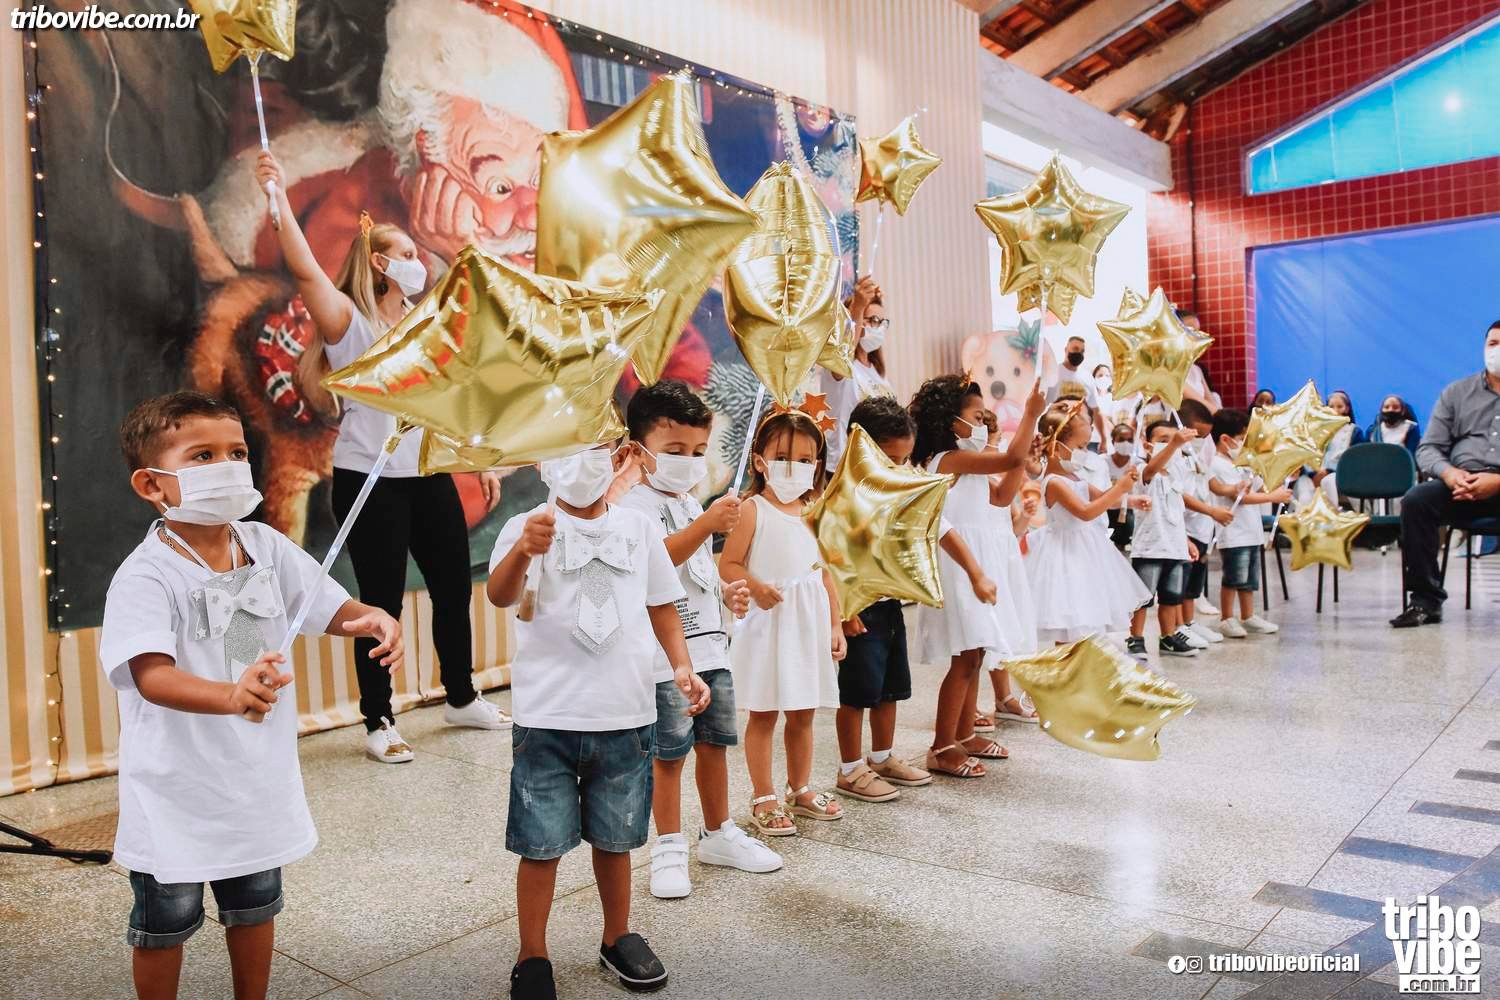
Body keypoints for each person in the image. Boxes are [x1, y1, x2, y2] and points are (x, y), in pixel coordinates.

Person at [103, 392, 403, 1000]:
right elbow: (150, 675)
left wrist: (368, 617)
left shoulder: (264, 545)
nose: (228, 466)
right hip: (177, 790)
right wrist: (228, 695)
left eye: (237, 453)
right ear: (152, 484)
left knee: (256, 905)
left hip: (255, 780)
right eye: (203, 455)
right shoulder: (147, 574)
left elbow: (326, 605)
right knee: (166, 922)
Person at [257, 152, 507, 763]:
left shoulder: (424, 324)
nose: (418, 262)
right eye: (406, 253)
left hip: (427, 474)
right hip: (370, 480)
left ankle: (461, 696)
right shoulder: (349, 323)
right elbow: (306, 269)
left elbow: (443, 403)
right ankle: (379, 719)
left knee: (453, 589)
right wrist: (278, 198)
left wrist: (475, 461)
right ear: (379, 262)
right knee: (379, 604)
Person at [487, 441, 708, 997]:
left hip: (625, 715)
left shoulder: (638, 528)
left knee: (617, 838)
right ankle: (532, 953)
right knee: (540, 845)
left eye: (594, 448)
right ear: (543, 463)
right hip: (547, 719)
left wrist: (682, 665)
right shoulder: (525, 525)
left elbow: (662, 602)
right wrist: (523, 552)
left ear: (615, 457)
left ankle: (617, 936)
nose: (581, 461)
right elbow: (500, 594)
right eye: (566, 450)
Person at [617, 381, 780, 899]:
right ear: (638, 449)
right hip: (666, 658)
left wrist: (726, 591)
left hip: (711, 646)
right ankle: (668, 846)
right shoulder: (631, 507)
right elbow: (655, 562)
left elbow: (695, 569)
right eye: (675, 450)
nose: (689, 462)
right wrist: (709, 523)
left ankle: (718, 832)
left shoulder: (690, 503)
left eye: (697, 451)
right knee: (669, 754)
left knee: (715, 743)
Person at [833, 397, 998, 802]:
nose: (899, 466)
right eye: (890, 458)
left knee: (890, 688)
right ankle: (850, 769)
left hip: (890, 602)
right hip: (859, 606)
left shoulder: (904, 485)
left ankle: (881, 757)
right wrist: (843, 610)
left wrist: (976, 572)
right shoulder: (845, 493)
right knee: (856, 693)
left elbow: (941, 525)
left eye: (904, 459)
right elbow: (830, 554)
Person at [909, 375, 1045, 778]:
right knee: (966, 656)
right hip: (959, 565)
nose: (984, 424)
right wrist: (1030, 417)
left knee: (977, 652)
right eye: (978, 417)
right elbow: (1008, 459)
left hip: (980, 561)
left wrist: (1021, 456)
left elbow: (1001, 497)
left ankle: (965, 734)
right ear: (950, 421)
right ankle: (941, 746)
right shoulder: (946, 460)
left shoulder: (970, 464)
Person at [719, 409, 846, 834]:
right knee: (764, 712)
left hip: (808, 623)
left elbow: (824, 573)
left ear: (817, 464)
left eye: (805, 460)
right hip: (769, 624)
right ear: (760, 461)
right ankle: (764, 795)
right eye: (783, 458)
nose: (795, 468)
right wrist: (755, 586)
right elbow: (729, 563)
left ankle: (800, 787)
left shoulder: (815, 510)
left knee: (804, 711)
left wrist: (835, 624)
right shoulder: (752, 509)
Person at [1391, 323, 1500, 627]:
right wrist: (1450, 474)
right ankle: (1425, 601)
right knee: (1417, 501)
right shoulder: (1456, 393)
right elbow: (1428, 449)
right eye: (1493, 343)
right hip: (1460, 484)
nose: (1498, 350)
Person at [1027, 402, 1152, 646]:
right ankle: (1066, 666)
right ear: (1056, 446)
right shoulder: (1054, 482)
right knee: (1067, 619)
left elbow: (1103, 498)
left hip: (1085, 552)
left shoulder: (1073, 476)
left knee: (1085, 618)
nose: (1085, 452)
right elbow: (1085, 512)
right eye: (1080, 446)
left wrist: (1130, 500)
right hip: (1065, 555)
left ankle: (1080, 664)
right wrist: (1120, 487)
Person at [1207, 409, 1292, 638]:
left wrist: (1281, 479)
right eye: (1243, 438)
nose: (1246, 443)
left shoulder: (1244, 463)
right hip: (1234, 533)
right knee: (1233, 577)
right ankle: (1227, 618)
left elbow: (1261, 487)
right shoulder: (1217, 464)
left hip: (1251, 531)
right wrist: (1272, 497)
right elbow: (1241, 497)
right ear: (1226, 439)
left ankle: (1248, 615)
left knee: (1249, 579)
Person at [1126, 421, 1203, 661]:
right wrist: (1174, 444)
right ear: (1148, 445)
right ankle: (1136, 637)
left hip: (1175, 547)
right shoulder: (1142, 469)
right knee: (1143, 597)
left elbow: (1176, 512)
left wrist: (1186, 540)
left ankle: (1168, 636)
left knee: (1171, 596)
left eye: (1173, 438)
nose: (1170, 443)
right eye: (1163, 440)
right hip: (1149, 547)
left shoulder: (1177, 473)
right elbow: (1151, 470)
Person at [822, 276, 895, 469]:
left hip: (877, 466)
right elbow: (843, 354)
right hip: (845, 468)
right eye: (873, 320)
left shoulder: (877, 372)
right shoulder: (839, 366)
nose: (878, 328)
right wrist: (858, 308)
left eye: (882, 322)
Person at [1176, 399, 1234, 640]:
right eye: (1198, 435)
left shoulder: (1196, 456)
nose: (1201, 440)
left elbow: (1212, 485)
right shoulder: (1174, 459)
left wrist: (1234, 488)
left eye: (1205, 436)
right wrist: (1211, 511)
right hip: (1185, 529)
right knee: (1179, 584)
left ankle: (1189, 622)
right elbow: (1182, 496)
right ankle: (1178, 627)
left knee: (1194, 584)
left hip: (1201, 530)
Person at [1046, 335, 1108, 445]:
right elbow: (1043, 404)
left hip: (1081, 437)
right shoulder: (1053, 372)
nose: (1079, 353)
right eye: (1075, 349)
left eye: (1082, 351)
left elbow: (1095, 410)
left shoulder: (1087, 377)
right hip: (1057, 434)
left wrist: (1103, 438)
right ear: (1066, 350)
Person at [1176, 310, 1222, 412]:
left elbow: (1212, 405)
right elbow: (1200, 403)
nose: (1197, 336)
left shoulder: (1196, 370)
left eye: (1198, 331)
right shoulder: (1167, 369)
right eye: (1191, 330)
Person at [1104, 422, 1140, 550]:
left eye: (1130, 440)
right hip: (1105, 506)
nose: (1126, 443)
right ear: (1113, 441)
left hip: (1126, 508)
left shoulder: (1138, 464)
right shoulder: (1102, 461)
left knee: (1128, 523)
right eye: (1121, 439)